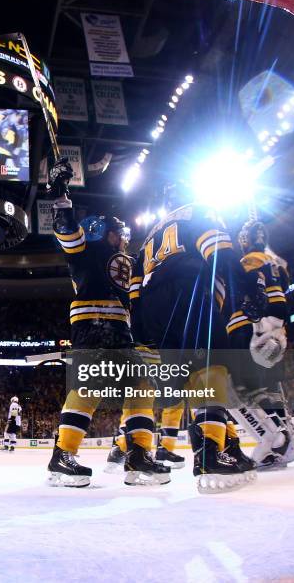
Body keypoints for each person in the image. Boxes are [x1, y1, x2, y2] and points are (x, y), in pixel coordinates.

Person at [128, 187, 264, 493]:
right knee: (211, 369)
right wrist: (248, 287)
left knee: (192, 379)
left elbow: (134, 288)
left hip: (152, 309)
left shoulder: (151, 233)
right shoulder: (199, 213)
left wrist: (140, 326)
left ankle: (225, 444)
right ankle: (210, 452)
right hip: (187, 293)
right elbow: (219, 253)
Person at [46, 158, 169, 487]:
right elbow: (65, 229)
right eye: (119, 232)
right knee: (91, 386)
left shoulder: (126, 260)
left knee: (141, 386)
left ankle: (139, 455)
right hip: (92, 323)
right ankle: (62, 457)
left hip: (119, 329)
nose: (124, 237)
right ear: (107, 232)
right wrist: (61, 196)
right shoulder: (85, 251)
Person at [226, 219, 293, 469]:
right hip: (276, 324)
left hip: (254, 324)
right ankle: (287, 445)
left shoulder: (248, 260)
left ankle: (274, 439)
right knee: (270, 385)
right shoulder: (273, 260)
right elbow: (283, 284)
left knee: (243, 388)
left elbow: (254, 291)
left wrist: (255, 320)